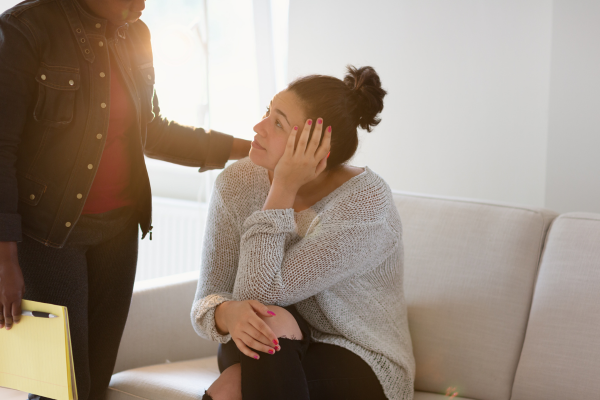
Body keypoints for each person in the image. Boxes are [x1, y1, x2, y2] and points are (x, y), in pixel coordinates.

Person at [0, 0, 250, 399]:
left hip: (118, 234)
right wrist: (4, 259)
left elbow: (151, 130)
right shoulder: (24, 29)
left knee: (96, 384)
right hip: (47, 237)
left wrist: (250, 150)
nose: (141, 5)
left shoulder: (137, 33)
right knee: (61, 390)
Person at [191, 66, 415, 400]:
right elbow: (208, 299)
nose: (258, 127)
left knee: (234, 383)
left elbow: (261, 292)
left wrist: (282, 186)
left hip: (356, 357)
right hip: (262, 336)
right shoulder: (235, 184)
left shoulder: (365, 203)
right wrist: (227, 313)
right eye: (268, 111)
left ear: (316, 150)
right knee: (265, 325)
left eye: (278, 123)